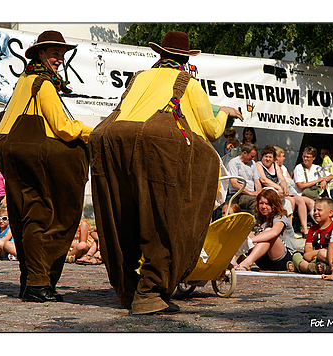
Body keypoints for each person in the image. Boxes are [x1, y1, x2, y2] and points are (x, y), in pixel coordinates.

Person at [88, 30, 243, 315]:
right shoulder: (189, 83)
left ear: (160, 55)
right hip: (156, 144)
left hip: (110, 140)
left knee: (122, 216)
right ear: (185, 58)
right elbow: (210, 131)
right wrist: (225, 113)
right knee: (166, 217)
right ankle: (149, 293)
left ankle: (127, 290)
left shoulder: (139, 77)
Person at [0, 30, 93, 303]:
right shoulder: (43, 84)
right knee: (40, 217)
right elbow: (63, 127)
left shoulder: (25, 80)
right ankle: (37, 284)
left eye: (62, 54)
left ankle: (29, 282)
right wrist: (93, 132)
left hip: (11, 152)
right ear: (41, 54)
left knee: (24, 217)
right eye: (54, 53)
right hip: (32, 156)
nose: (59, 59)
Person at [234, 188, 297, 271]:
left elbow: (274, 233)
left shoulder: (280, 217)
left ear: (274, 205)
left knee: (268, 232)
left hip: (283, 260)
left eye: (267, 204)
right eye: (261, 203)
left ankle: (247, 263)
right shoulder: (259, 219)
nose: (264, 206)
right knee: (245, 231)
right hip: (263, 260)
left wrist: (250, 240)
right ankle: (232, 263)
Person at [287, 198, 333, 274]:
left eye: (319, 210)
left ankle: (302, 267)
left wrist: (313, 254)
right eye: (314, 210)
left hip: (325, 257)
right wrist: (310, 255)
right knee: (296, 255)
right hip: (312, 258)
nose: (316, 213)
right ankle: (310, 267)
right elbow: (308, 248)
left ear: (330, 213)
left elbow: (331, 248)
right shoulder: (313, 229)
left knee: (323, 254)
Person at [273, 146, 310, 236]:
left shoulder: (283, 168)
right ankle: (290, 229)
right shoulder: (274, 167)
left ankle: (304, 229)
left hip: (290, 190)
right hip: (281, 192)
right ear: (277, 157)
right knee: (291, 201)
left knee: (301, 200)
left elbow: (291, 181)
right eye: (283, 156)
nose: (284, 158)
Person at [293, 146, 333, 212]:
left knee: (326, 205)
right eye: (304, 156)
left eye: (308, 157)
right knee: (312, 204)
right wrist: (318, 180)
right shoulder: (299, 168)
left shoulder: (316, 168)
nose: (305, 159)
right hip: (300, 195)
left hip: (314, 195)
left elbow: (332, 176)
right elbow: (300, 186)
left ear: (314, 158)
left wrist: (324, 180)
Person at [226, 142, 262, 214]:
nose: (253, 158)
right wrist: (251, 193)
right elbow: (234, 184)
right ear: (244, 153)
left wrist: (260, 195)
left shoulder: (253, 163)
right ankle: (255, 224)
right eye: (252, 156)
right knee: (255, 202)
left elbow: (257, 182)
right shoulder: (234, 163)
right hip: (237, 195)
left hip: (251, 194)